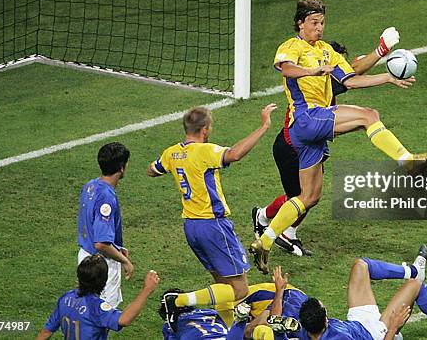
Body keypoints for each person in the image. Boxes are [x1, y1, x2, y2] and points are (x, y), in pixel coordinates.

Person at [250, 0, 427, 273]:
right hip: (305, 117)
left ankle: (265, 241)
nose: (319, 28)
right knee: (369, 116)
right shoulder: (292, 47)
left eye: (322, 23)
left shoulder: (328, 51)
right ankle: (408, 161)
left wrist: (386, 77)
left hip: (310, 133)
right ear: (300, 23)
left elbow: (350, 79)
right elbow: (285, 68)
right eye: (314, 23)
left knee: (309, 196)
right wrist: (312, 70)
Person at [252, 39, 397, 256]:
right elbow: (354, 72)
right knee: (301, 197)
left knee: (309, 196)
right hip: (291, 147)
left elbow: (351, 72)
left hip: (311, 140)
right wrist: (380, 51)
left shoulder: (327, 81)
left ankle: (287, 233)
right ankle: (264, 217)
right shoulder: (322, 77)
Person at [148, 104, 277, 325]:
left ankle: (228, 330)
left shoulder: (172, 152)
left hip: (191, 226)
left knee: (221, 286)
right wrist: (264, 126)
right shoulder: (204, 151)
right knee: (239, 289)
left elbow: (153, 169)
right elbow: (234, 154)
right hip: (213, 226)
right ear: (205, 129)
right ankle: (179, 301)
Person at [297, 245, 427, 340]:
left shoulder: (305, 332)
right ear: (325, 320)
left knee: (360, 265)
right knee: (415, 286)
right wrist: (392, 328)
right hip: (376, 333)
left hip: (356, 323)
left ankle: (414, 269)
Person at [36, 254, 160, 339]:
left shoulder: (65, 298)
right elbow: (124, 319)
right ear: (104, 280)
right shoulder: (96, 308)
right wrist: (146, 290)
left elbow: (46, 332)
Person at [159, 267, 299, 340]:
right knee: (251, 329)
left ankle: (244, 321)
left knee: (250, 329)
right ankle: (274, 333)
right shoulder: (210, 312)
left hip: (227, 332)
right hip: (227, 333)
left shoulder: (171, 326)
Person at [78, 142, 133, 307]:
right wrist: (124, 261)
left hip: (85, 258)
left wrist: (117, 247)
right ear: (122, 168)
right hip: (101, 265)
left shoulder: (90, 185)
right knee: (103, 315)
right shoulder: (106, 197)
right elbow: (101, 243)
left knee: (88, 311)